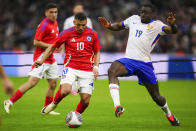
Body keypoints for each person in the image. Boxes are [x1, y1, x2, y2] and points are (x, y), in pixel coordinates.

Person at [98, 4, 180, 126]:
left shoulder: (157, 25)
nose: (142, 15)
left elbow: (173, 31)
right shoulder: (133, 19)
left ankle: (169, 114)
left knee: (157, 97)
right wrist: (109, 26)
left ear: (152, 14)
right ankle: (117, 106)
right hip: (129, 61)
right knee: (112, 70)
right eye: (141, 12)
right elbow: (119, 26)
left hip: (144, 64)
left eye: (145, 13)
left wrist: (172, 24)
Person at [34, 13, 101, 115]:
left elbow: (97, 52)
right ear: (74, 22)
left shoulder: (93, 34)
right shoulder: (66, 33)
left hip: (87, 70)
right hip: (71, 67)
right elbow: (52, 47)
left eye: (83, 25)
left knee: (86, 100)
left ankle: (75, 116)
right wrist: (42, 60)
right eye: (78, 25)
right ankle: (53, 104)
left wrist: (96, 67)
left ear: (86, 23)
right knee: (65, 90)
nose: (81, 27)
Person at [4, 3, 60, 115]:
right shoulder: (44, 25)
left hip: (51, 58)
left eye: (55, 12)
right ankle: (9, 101)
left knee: (53, 83)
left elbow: (54, 40)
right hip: (41, 57)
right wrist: (50, 46)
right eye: (51, 12)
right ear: (46, 13)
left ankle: (46, 109)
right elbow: (36, 42)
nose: (54, 14)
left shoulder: (56, 23)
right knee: (32, 82)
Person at [62, 3, 93, 96]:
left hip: (84, 49)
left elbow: (90, 35)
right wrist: (62, 48)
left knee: (81, 68)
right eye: (78, 8)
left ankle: (78, 86)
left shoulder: (89, 20)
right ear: (73, 10)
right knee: (71, 67)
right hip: (71, 48)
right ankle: (71, 86)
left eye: (81, 8)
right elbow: (64, 34)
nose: (80, 9)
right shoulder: (68, 20)